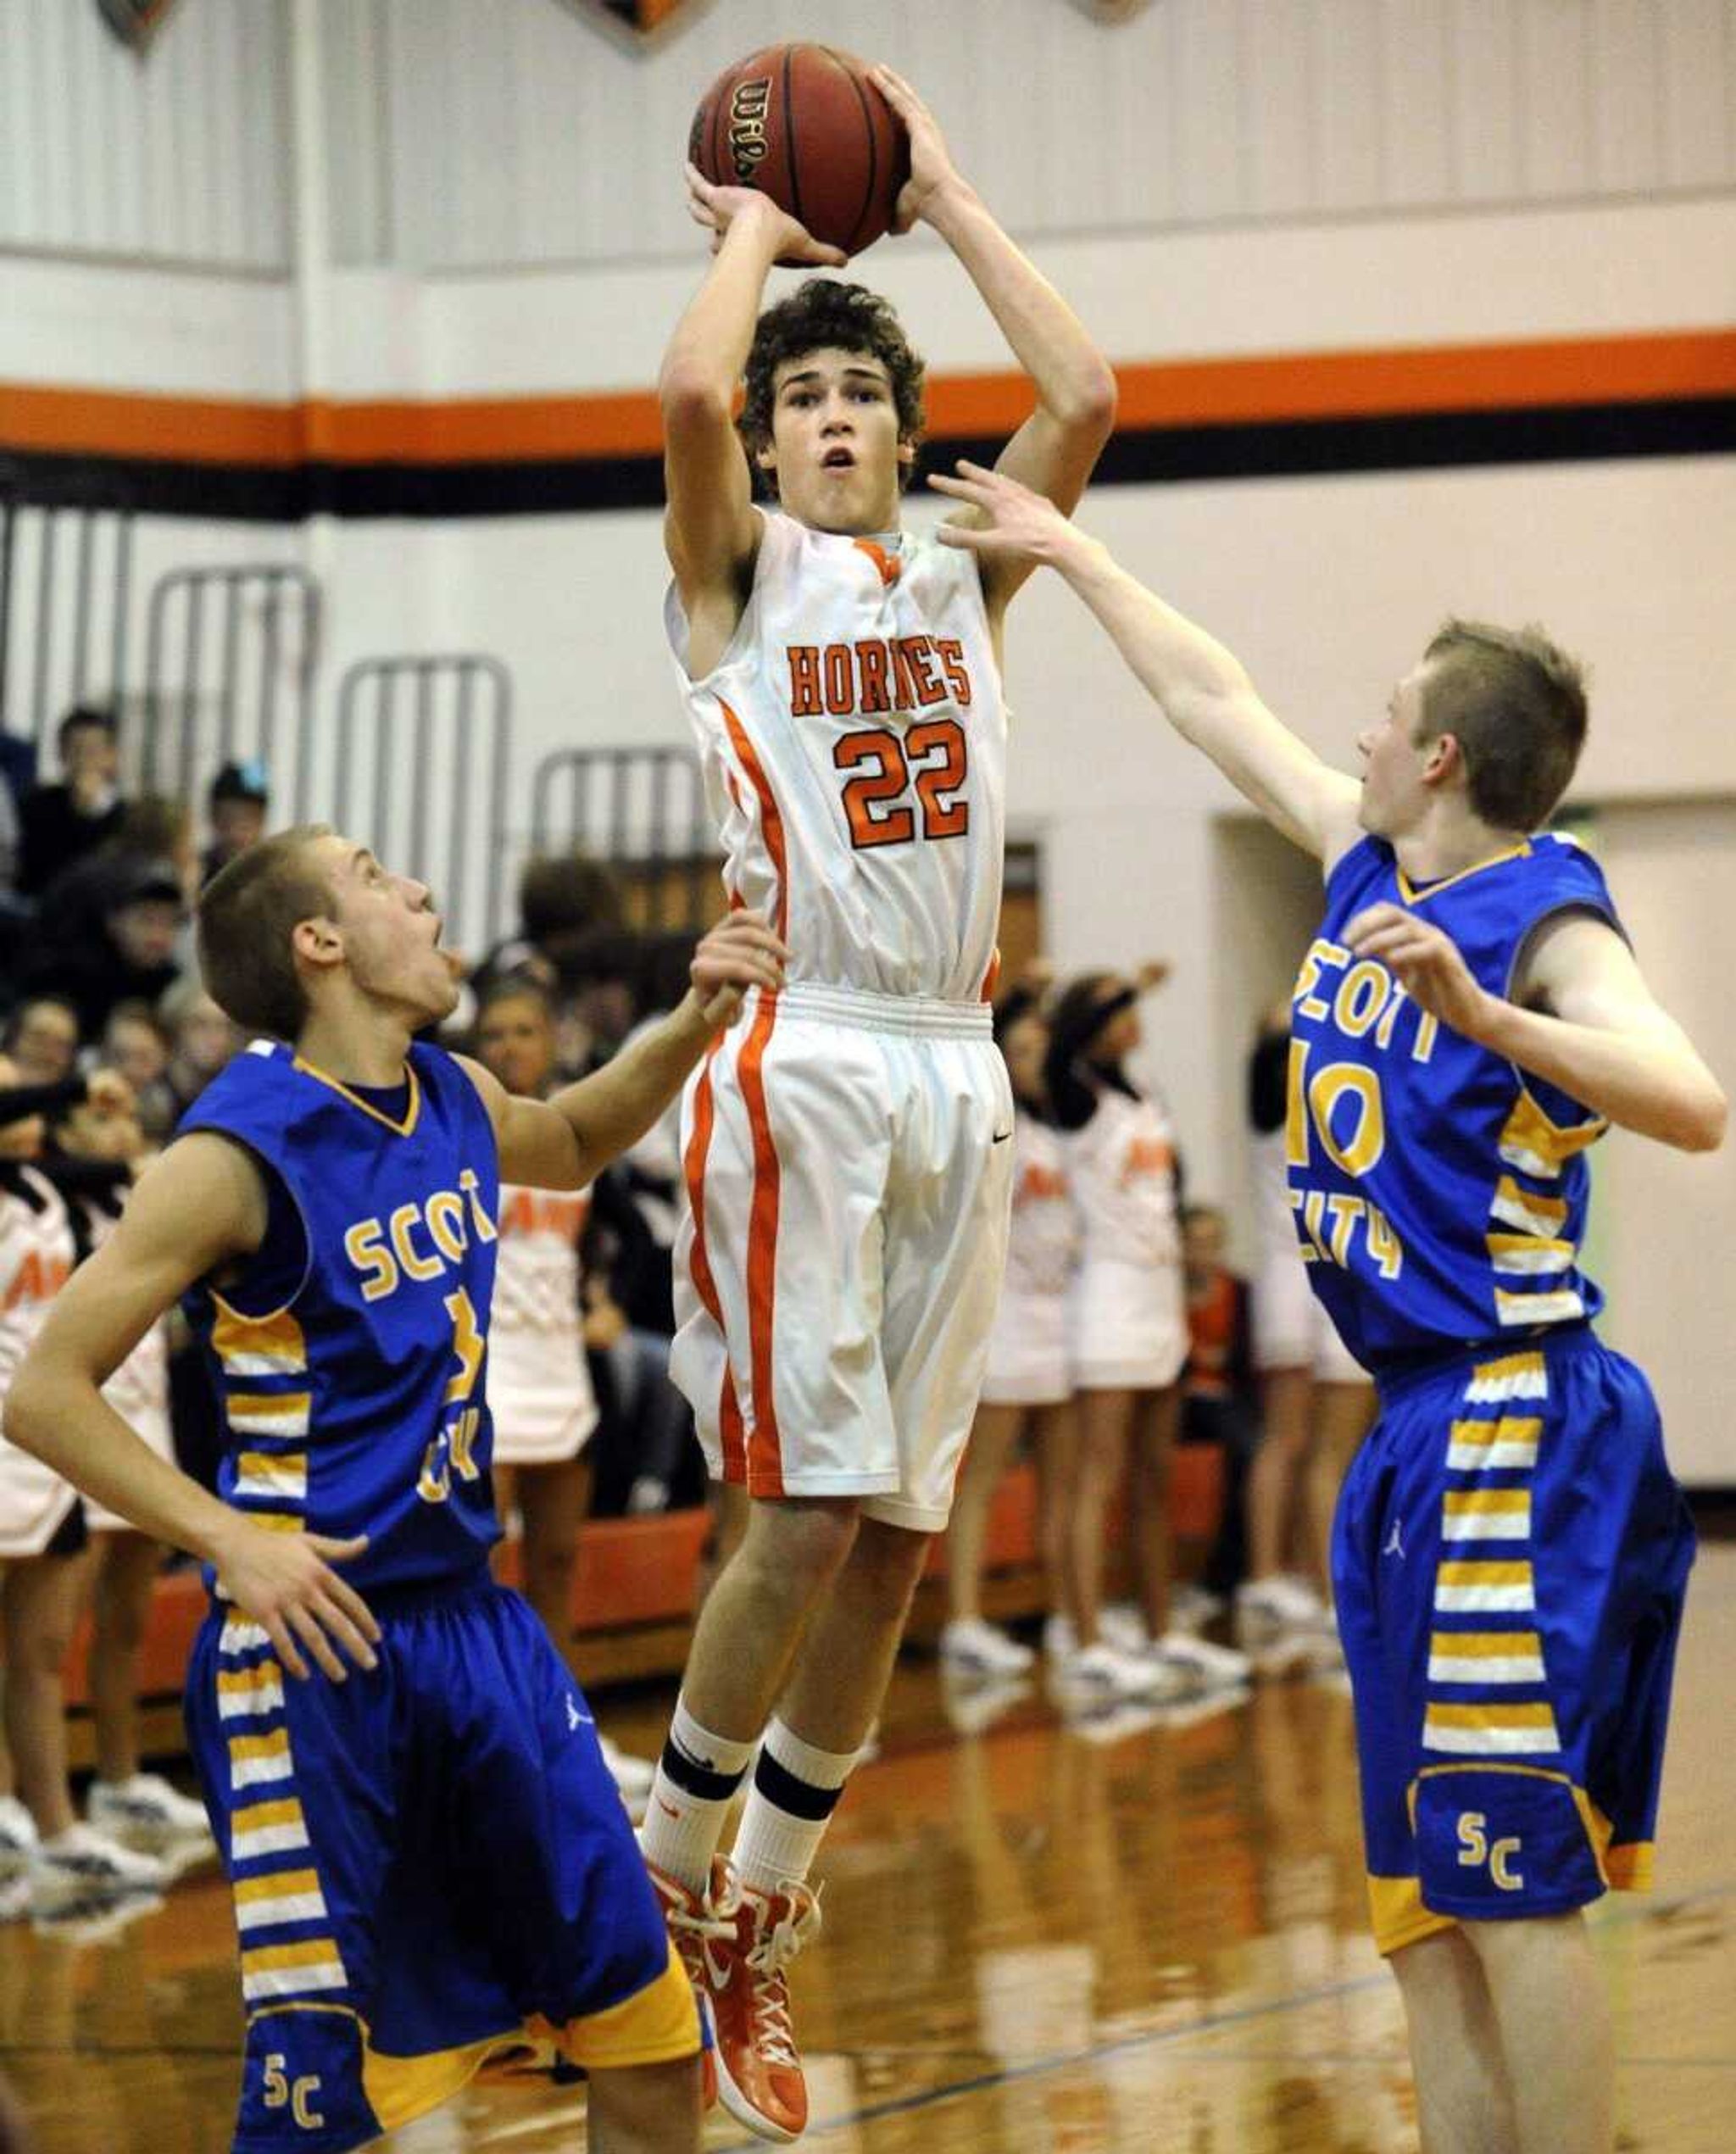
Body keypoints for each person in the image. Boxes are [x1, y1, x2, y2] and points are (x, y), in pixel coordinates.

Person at [927, 457, 1726, 2154]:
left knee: (1509, 1871)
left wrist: (1497, 1021)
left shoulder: (1544, 913)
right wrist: (1069, 549)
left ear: (1443, 752)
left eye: (1382, 716)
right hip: (1411, 1422)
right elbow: (1212, 699)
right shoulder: (1365, 868)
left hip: (1518, 1405)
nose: (1355, 736)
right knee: (1419, 1904)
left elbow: (1687, 1094)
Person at [8, 826, 787, 2154]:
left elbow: (587, 1133)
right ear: (320, 945)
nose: (418, 892)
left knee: (653, 2037)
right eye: (374, 876)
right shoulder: (232, 1153)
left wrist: (692, 1018)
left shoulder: (456, 1092)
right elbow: (43, 1388)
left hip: (477, 1635)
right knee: (336, 2111)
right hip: (315, 1656)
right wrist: (227, 1538)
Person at [644, 63, 1115, 2142]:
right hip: (811, 1057)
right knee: (807, 1501)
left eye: (858, 398)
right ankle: (660, 1890)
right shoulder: (738, 578)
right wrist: (761, 224)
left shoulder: (959, 569)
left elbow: (1086, 394)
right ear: (767, 437)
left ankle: (759, 1913)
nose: (831, 420)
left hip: (954, 1064)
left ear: (901, 429)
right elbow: (677, 409)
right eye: (801, 400)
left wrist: (937, 188)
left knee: (902, 1542)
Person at [1040, 966, 1250, 1704]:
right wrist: (1117, 984)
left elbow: (1172, 1191)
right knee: (1095, 1476)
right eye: (1114, 1009)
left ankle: (1162, 1628)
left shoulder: (1146, 1091)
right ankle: (1085, 1636)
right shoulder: (1073, 1093)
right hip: (1104, 1294)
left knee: (1154, 1478)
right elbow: (1057, 1041)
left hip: (1159, 1295)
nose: (1131, 1018)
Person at [472, 974, 654, 1806]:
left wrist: (603, 1300)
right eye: (494, 1033)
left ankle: (564, 1730)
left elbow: (620, 1241)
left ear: (551, 1045)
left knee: (555, 1561)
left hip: (559, 1373)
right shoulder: (462, 1132)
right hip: (484, 1377)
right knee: (480, 1576)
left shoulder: (574, 1141)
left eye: (523, 1032)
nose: (508, 1047)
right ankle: (487, 1746)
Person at [0, 1063, 167, 1913]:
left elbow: (92, 1177)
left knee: (37, 1653)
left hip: (42, 1452)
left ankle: (58, 1832)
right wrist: (67, 1088)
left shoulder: (40, 1191)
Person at [53, 1078, 212, 1851]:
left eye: (123, 1118)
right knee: (47, 1639)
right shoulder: (54, 1209)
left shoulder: (145, 1210)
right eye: (98, 1119)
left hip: (147, 1425)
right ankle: (46, 1807)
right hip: (78, 1444)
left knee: (127, 1624)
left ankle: (120, 1782)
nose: (116, 1134)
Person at [940, 970, 1071, 1685]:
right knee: (982, 1479)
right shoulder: (996, 1119)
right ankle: (963, 1620)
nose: (1035, 1059)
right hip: (1006, 1317)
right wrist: (1025, 993)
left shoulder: (1058, 1120)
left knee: (1060, 1479)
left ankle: (1060, 1612)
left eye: (1041, 1048)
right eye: (1021, 1047)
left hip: (1058, 1316)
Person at [1238, 999, 1376, 1657]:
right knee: (1294, 1439)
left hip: (1325, 1277)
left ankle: (1305, 1574)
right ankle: (1280, 1578)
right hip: (1294, 1276)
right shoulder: (1281, 1109)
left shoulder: (1333, 1107)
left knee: (1321, 1444)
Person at [15, 707, 125, 900]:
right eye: (74, 749)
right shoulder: (37, 805)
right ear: (61, 754)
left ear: (111, 756)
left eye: (92, 750)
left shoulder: (125, 816)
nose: (82, 759)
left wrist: (89, 810)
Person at [202, 760, 270, 885]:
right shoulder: (197, 872)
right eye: (227, 820)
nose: (235, 832)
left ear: (261, 820)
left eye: (245, 821)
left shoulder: (273, 874)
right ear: (213, 818)